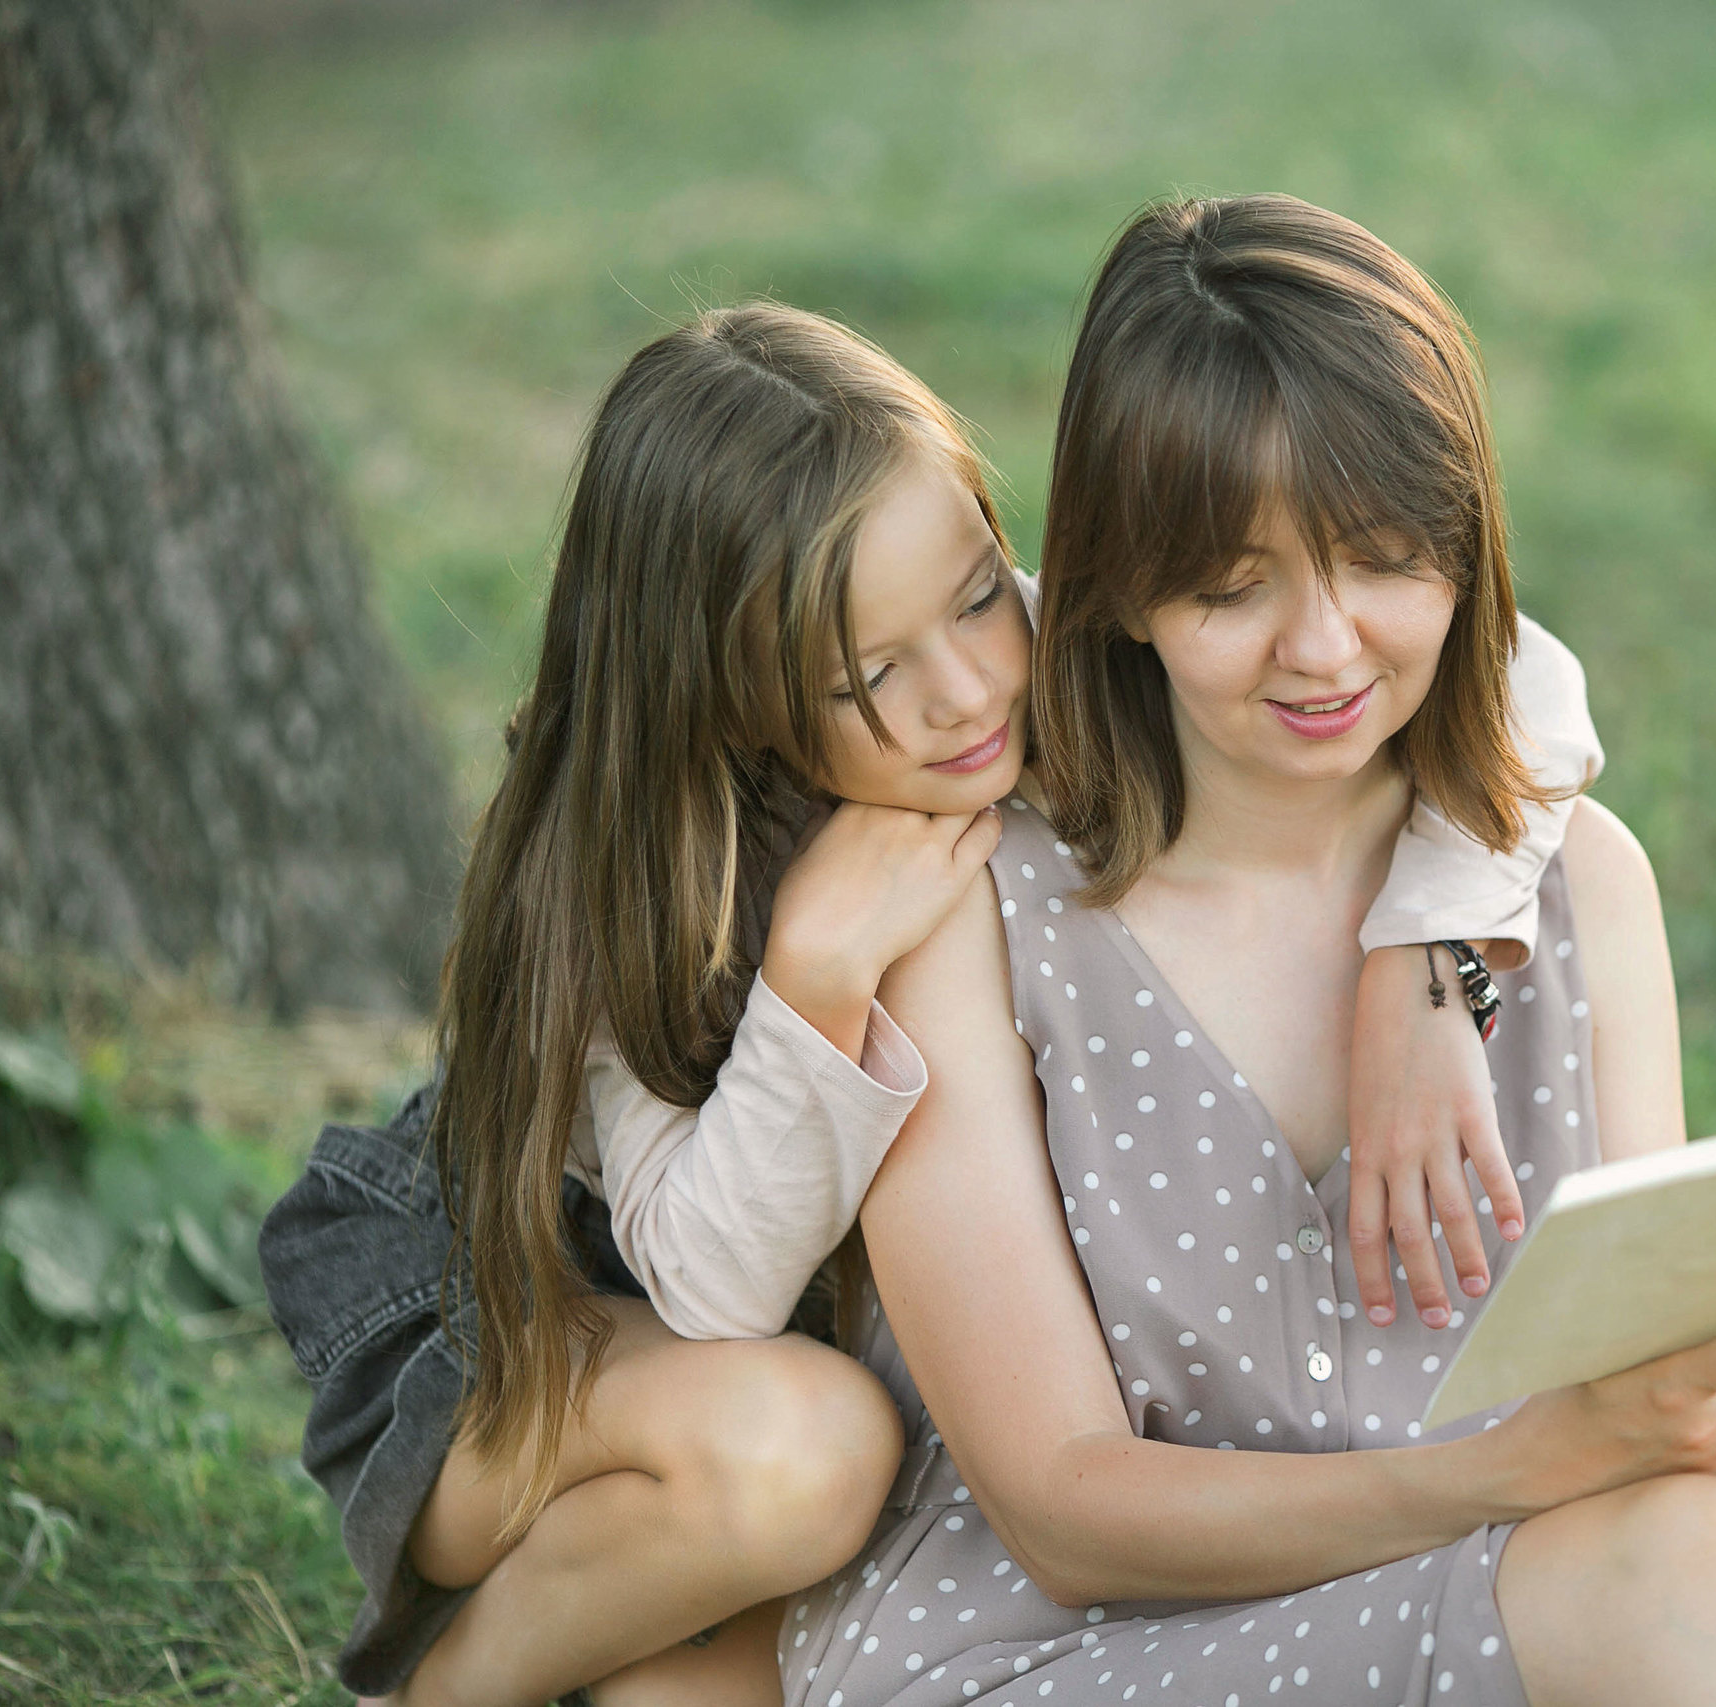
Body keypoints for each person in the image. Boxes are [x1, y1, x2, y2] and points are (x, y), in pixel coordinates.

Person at [787, 195, 1716, 1706]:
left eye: (1384, 560)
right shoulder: (977, 926)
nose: (1322, 651)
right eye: (1235, 587)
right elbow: (1066, 1514)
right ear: (1117, 582)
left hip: (1534, 1556)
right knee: (1677, 1562)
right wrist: (1532, 1466)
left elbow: (1648, 1366)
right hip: (1083, 1650)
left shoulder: (1572, 882)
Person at [258, 300, 1604, 1705]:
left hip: (821, 1363)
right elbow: (705, 1284)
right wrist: (814, 978)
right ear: (724, 697)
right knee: (804, 1459)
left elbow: (1527, 677)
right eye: (865, 677)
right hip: (531, 1302)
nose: (965, 696)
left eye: (976, 594)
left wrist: (1424, 951)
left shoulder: (1038, 666)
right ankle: (442, 1687)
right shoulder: (642, 864)